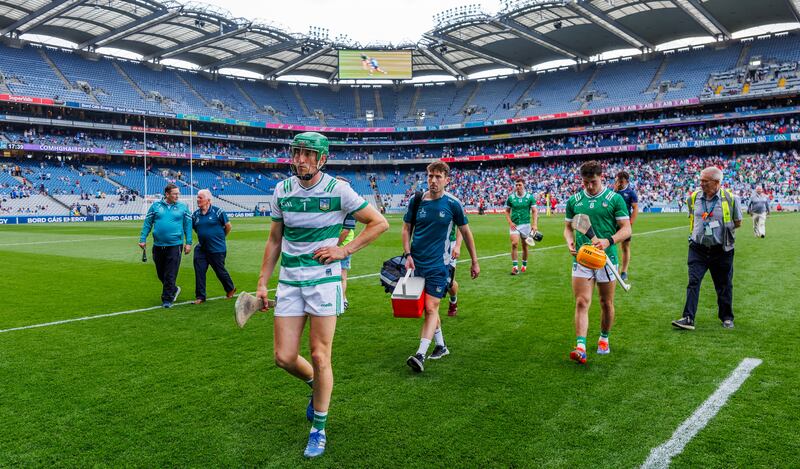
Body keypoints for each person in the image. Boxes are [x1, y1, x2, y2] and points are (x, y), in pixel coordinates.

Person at [251, 132, 388, 458]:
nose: (300, 159)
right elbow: (274, 240)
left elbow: (378, 223)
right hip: (289, 283)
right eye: (297, 153)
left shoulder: (338, 190)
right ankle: (316, 385)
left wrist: (344, 251)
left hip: (324, 283)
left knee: (319, 354)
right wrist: (261, 282)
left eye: (308, 154)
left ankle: (319, 429)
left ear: (321, 159)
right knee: (283, 357)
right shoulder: (282, 190)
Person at [403, 161, 480, 373]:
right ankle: (441, 346)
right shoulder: (416, 200)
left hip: (440, 264)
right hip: (417, 263)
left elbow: (466, 232)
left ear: (447, 180)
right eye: (430, 176)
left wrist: (474, 261)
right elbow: (406, 229)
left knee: (430, 307)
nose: (433, 181)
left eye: (438, 177)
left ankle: (420, 354)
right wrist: (407, 254)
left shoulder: (453, 203)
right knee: (425, 308)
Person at [563, 161, 631, 364]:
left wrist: (608, 240)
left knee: (605, 303)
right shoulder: (574, 200)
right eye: (585, 182)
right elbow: (568, 227)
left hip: (606, 259)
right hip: (582, 258)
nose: (589, 186)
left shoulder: (614, 199)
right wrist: (570, 241)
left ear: (601, 177)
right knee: (582, 302)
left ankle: (603, 337)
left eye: (592, 182)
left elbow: (626, 229)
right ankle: (581, 346)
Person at [672, 167, 742, 331]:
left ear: (717, 182)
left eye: (705, 181)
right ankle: (688, 318)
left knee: (724, 285)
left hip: (722, 250)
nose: (701, 183)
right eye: (701, 180)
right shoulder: (694, 197)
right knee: (693, 282)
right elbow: (693, 217)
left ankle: (726, 317)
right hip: (698, 249)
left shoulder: (731, 199)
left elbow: (738, 222)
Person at [138, 183, 192, 308]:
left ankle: (167, 299)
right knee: (160, 273)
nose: (177, 196)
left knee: (170, 273)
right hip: (158, 245)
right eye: (175, 193)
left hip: (175, 245)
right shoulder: (155, 206)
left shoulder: (183, 207)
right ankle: (173, 289)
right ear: (167, 194)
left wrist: (188, 243)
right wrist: (142, 238)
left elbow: (188, 226)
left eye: (178, 193)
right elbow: (147, 223)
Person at [191, 189, 235, 304]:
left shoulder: (218, 211)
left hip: (217, 248)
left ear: (208, 200)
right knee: (199, 271)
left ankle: (230, 288)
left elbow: (228, 226)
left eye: (200, 197)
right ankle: (200, 297)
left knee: (220, 271)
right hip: (201, 248)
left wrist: (221, 237)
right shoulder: (195, 215)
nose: (198, 199)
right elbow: (196, 228)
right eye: (197, 197)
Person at [504, 179, 539, 275]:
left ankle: (524, 264)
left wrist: (535, 224)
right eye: (516, 185)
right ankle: (515, 267)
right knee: (514, 243)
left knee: (525, 246)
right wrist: (510, 222)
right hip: (514, 225)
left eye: (520, 185)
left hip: (526, 225)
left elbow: (534, 211)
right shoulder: (511, 198)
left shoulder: (530, 197)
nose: (518, 186)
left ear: (524, 185)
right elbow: (507, 211)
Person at [335, 176, 356, 310]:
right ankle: (340, 299)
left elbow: (346, 231)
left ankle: (342, 300)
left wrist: (334, 245)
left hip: (343, 246)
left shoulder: (349, 204)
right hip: (338, 244)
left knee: (341, 275)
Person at [614, 171, 639, 281]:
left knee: (625, 247)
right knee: (608, 245)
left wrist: (630, 223)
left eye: (621, 181)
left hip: (624, 224)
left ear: (627, 181)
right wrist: (615, 190)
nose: (619, 183)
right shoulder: (613, 192)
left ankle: (624, 271)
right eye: (617, 180)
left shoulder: (631, 193)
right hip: (612, 223)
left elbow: (635, 208)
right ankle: (612, 268)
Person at [445, 226, 462, 317]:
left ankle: (453, 300)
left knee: (449, 281)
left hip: (450, 245)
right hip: (430, 243)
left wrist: (458, 246)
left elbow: (461, 225)